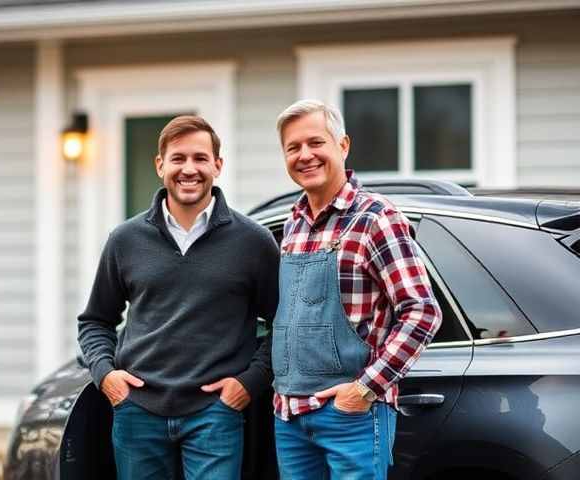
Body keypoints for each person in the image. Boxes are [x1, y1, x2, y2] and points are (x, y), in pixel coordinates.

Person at [78, 115, 279, 480]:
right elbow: (95, 321)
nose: (190, 169)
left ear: (217, 165)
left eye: (201, 158)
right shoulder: (125, 240)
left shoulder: (254, 242)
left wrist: (249, 382)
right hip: (137, 413)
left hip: (215, 416)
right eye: (178, 158)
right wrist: (107, 376)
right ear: (160, 166)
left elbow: (284, 324)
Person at [271, 99, 442, 479]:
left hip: (351, 418)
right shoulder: (293, 223)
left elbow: (422, 312)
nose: (305, 156)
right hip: (290, 418)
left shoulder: (376, 218)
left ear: (343, 145)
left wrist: (365, 389)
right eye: (293, 147)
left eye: (316, 142)